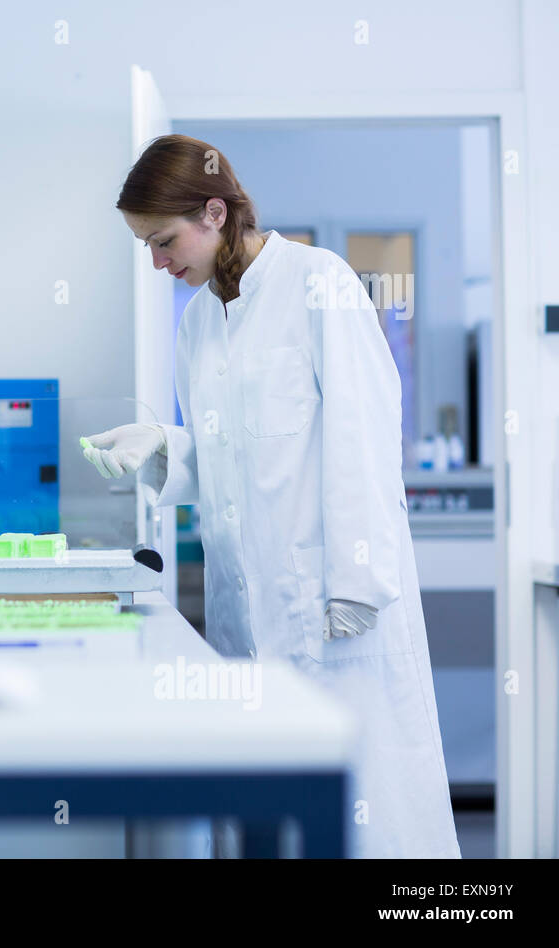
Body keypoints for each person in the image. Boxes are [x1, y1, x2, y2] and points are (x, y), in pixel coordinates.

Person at [85, 134, 460, 858]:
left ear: (216, 212)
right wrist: (167, 445)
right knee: (276, 821)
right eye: (147, 249)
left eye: (163, 242)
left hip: (337, 609)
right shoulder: (199, 323)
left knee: (373, 813)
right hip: (248, 615)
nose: (160, 264)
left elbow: (365, 433)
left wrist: (356, 579)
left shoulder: (318, 281)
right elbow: (235, 458)